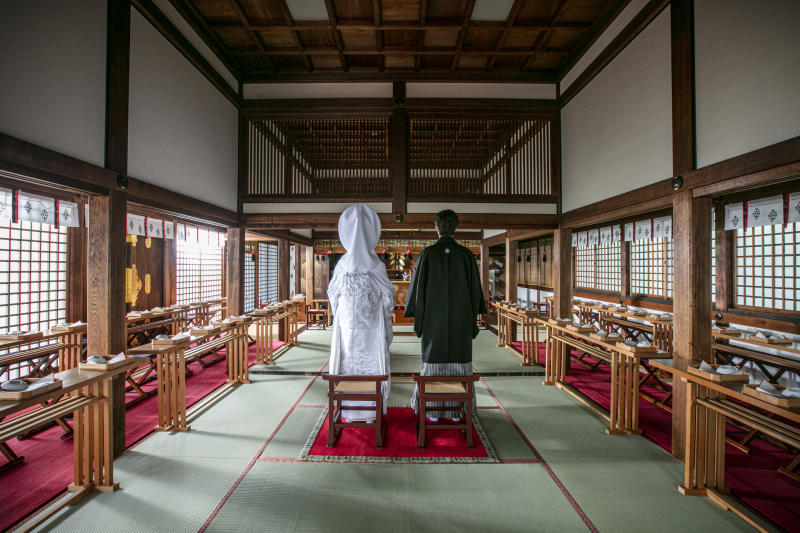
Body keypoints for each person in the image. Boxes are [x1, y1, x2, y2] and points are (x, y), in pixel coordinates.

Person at [404, 209, 486, 422]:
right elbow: (475, 291)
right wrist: (473, 316)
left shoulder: (428, 254)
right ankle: (458, 411)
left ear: (436, 227)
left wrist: (416, 314)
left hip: (433, 322)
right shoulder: (467, 255)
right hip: (461, 321)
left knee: (433, 362)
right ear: (455, 228)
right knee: (461, 362)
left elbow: (417, 289)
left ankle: (432, 411)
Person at [327, 204, 395, 423]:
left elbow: (332, 295)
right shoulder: (376, 265)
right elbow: (388, 298)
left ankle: (349, 411)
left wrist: (342, 315)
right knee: (371, 369)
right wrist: (384, 318)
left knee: (349, 368)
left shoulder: (341, 265)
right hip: (371, 332)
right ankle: (370, 413)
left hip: (347, 331)